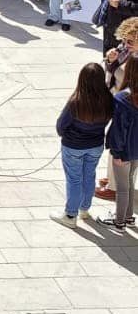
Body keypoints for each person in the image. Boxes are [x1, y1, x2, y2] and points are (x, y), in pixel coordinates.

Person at [53, 63, 113, 227]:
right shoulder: (108, 99)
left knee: (74, 179)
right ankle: (84, 209)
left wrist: (66, 135)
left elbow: (61, 125)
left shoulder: (76, 101)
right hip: (96, 144)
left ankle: (70, 215)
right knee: (89, 176)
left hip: (73, 146)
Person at [104, 57, 138, 229]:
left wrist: (117, 153)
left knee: (123, 187)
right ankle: (129, 217)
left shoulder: (123, 98)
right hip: (136, 149)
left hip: (124, 150)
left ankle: (119, 221)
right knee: (130, 181)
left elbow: (119, 130)